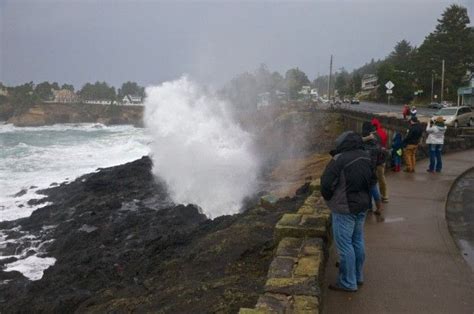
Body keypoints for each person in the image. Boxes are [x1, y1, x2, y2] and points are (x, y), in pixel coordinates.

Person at [321, 131, 376, 292]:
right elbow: (373, 181)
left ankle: (347, 282)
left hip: (344, 208)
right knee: (357, 241)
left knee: (345, 247)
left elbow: (325, 184)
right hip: (362, 206)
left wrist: (330, 198)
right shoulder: (366, 157)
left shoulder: (339, 160)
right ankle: (358, 276)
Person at [361, 122, 384, 214]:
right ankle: (377, 207)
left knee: (367, 188)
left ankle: (369, 206)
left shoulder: (362, 143)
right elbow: (379, 153)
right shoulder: (376, 142)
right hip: (372, 167)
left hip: (363, 168)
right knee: (373, 187)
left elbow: (354, 142)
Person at [371, 118, 389, 202]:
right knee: (381, 177)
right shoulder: (383, 132)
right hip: (382, 158)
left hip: (375, 158)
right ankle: (384, 196)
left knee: (372, 179)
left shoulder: (373, 135)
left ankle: (372, 199)